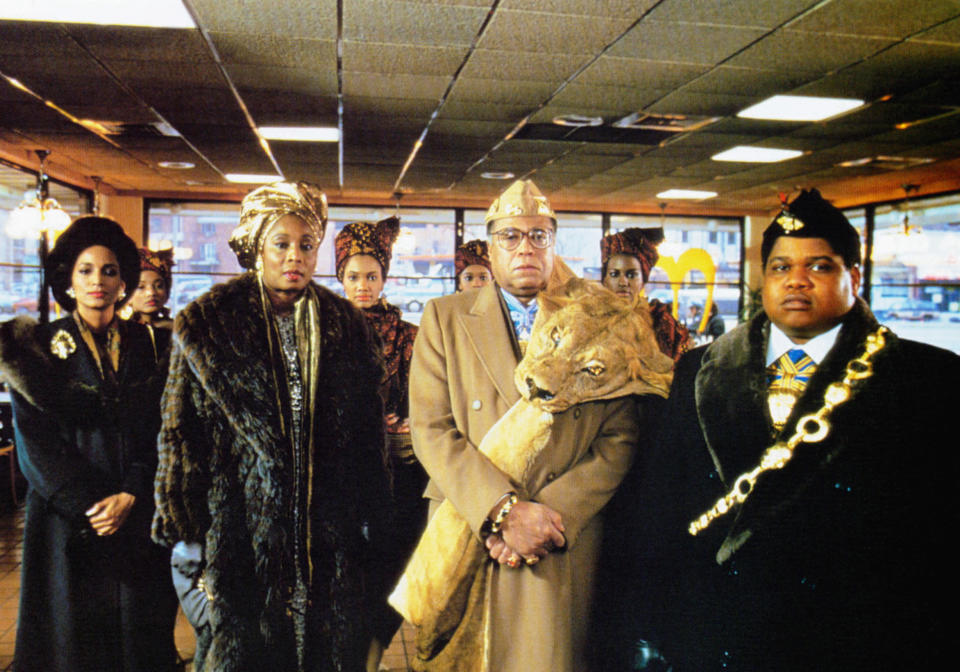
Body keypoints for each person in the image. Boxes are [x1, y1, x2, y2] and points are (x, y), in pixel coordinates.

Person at [631, 189, 960, 671]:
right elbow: (662, 504)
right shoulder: (700, 369)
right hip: (717, 632)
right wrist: (653, 626)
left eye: (820, 267)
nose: (797, 281)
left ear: (855, 276)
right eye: (781, 268)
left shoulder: (926, 377)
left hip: (858, 636)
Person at [409, 179, 653, 672]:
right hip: (469, 521)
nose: (526, 248)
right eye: (511, 237)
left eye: (539, 236)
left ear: (554, 243)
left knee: (550, 658)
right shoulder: (445, 317)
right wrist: (502, 511)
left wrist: (546, 515)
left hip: (561, 530)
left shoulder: (603, 315)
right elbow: (432, 430)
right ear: (490, 248)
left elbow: (623, 434)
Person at [152, 181, 393, 672]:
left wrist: (373, 518)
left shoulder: (345, 325)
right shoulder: (208, 324)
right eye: (281, 243)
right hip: (237, 531)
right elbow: (180, 436)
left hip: (327, 537)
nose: (295, 257)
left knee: (326, 652)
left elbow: (369, 440)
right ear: (256, 245)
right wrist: (186, 532)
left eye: (306, 245)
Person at [0, 215, 177, 672]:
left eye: (110, 270)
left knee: (140, 641)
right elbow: (35, 447)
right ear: (67, 278)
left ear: (124, 282)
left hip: (137, 516)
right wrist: (95, 505)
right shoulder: (35, 346)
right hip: (68, 524)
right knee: (73, 646)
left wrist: (133, 492)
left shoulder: (152, 345)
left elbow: (167, 428)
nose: (98, 281)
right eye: (85, 270)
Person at [333, 216, 425, 670]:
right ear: (340, 278)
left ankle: (371, 656)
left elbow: (427, 404)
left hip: (398, 480)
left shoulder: (412, 337)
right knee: (343, 578)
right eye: (353, 276)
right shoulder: (323, 332)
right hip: (338, 479)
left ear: (385, 277)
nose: (363, 285)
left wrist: (410, 426)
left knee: (389, 575)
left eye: (372, 276)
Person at [600, 227, 691, 360]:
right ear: (605, 281)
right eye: (614, 274)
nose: (623, 282)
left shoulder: (662, 323)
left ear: (643, 281)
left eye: (632, 275)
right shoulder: (590, 321)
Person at [126, 247, 175, 359]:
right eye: (141, 287)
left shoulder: (178, 331)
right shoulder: (120, 334)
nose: (151, 293)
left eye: (159, 286)